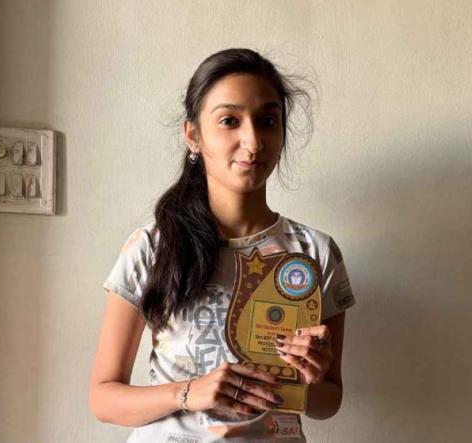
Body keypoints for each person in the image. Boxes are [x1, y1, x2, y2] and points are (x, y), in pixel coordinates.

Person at [89, 48, 356, 442]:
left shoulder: (313, 252)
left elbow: (328, 400)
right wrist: (188, 393)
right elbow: (103, 398)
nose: (253, 140)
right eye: (229, 121)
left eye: (267, 121)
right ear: (193, 135)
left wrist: (307, 380)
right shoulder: (152, 247)